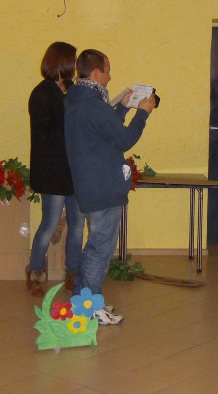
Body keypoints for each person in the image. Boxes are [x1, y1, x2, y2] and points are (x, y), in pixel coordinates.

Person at [64, 49, 155, 325]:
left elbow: (104, 130)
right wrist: (142, 113)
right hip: (102, 187)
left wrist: (123, 108)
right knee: (100, 250)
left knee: (94, 247)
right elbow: (124, 139)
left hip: (90, 185)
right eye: (107, 71)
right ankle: (90, 309)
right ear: (96, 73)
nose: (110, 76)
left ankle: (83, 302)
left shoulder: (78, 99)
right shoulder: (93, 105)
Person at [25, 42, 85, 297]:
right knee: (49, 224)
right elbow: (44, 136)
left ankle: (73, 272)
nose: (76, 66)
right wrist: (72, 122)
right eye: (73, 60)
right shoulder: (41, 94)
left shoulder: (73, 90)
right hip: (52, 170)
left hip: (74, 169)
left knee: (77, 225)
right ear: (62, 63)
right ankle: (35, 271)